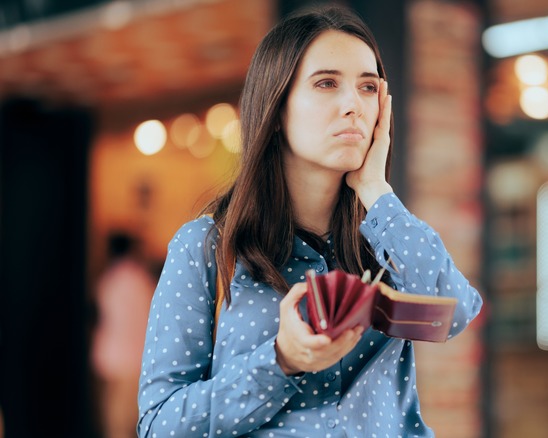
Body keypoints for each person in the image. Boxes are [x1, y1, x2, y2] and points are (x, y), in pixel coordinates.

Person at [137, 5, 483, 437]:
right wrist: (282, 360)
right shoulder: (206, 247)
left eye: (368, 88)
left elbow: (452, 313)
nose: (353, 106)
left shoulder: (386, 241)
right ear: (277, 108)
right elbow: (158, 425)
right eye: (326, 83)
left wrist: (376, 189)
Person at [91, 232, 155, 438]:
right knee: (126, 419)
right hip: (132, 356)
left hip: (115, 355)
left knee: (115, 419)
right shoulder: (139, 278)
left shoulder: (111, 278)